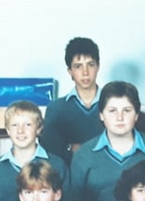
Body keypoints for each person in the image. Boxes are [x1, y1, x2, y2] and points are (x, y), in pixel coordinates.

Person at [0, 101, 71, 201]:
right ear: (8, 130)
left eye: (28, 125)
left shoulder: (57, 165)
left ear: (39, 128)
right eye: (14, 125)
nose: (20, 131)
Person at [40, 37, 104, 165]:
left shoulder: (112, 105)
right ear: (70, 71)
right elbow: (51, 150)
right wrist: (70, 149)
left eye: (90, 65)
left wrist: (79, 148)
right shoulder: (56, 108)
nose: (85, 72)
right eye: (78, 66)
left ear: (98, 67)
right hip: (68, 175)